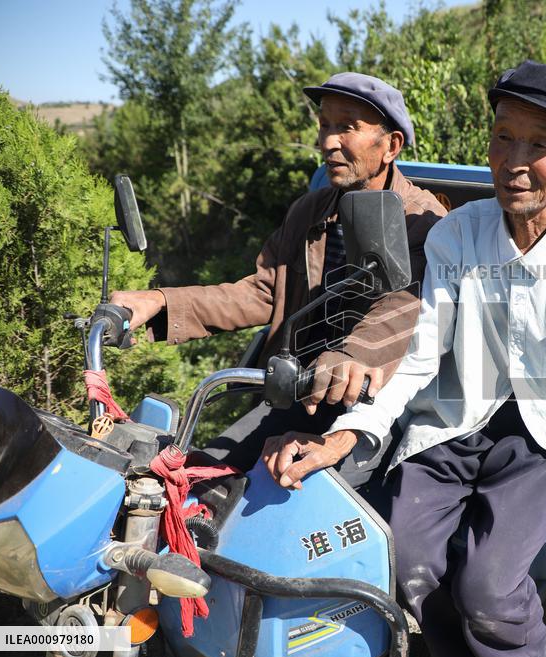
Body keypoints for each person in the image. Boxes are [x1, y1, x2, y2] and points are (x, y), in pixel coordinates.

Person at [265, 61, 546, 657]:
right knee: (406, 562)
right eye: (504, 136)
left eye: (540, 144)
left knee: (488, 591)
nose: (515, 160)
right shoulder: (457, 236)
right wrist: (346, 436)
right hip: (453, 424)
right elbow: (420, 354)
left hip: (543, 439)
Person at [110, 73, 447, 485]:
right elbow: (264, 291)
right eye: (324, 125)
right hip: (302, 392)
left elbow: (401, 310)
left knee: (280, 509)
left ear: (391, 145)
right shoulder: (311, 211)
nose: (328, 142)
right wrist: (161, 302)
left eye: (347, 127)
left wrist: (353, 358)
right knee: (198, 477)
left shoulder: (422, 221)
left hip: (380, 409)